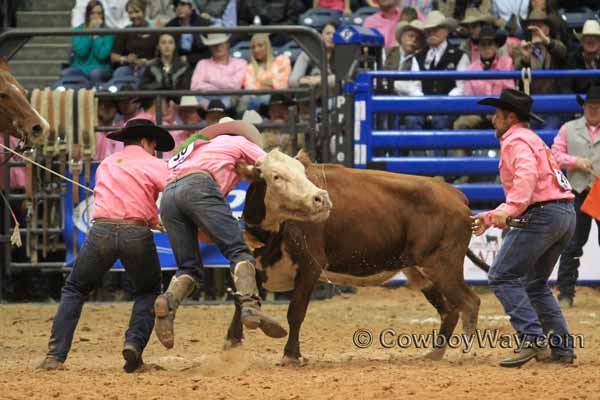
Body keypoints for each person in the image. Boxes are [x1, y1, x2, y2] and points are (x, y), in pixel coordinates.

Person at [37, 119, 174, 372]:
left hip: (101, 230)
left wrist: (152, 219)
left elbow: (121, 195)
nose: (155, 149)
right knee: (147, 291)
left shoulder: (108, 163)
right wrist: (158, 220)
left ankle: (55, 356)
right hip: (136, 231)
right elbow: (173, 191)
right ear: (146, 141)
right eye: (154, 144)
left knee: (75, 289)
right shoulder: (156, 164)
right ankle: (133, 345)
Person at [153, 117, 287, 349]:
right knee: (239, 252)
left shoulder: (197, 148)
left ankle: (167, 301)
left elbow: (205, 228)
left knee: (188, 267)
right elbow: (270, 165)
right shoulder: (237, 142)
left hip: (169, 197)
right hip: (199, 187)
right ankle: (250, 306)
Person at [472, 89, 576, 367]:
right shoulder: (533, 139)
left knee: (502, 275)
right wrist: (495, 214)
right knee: (535, 283)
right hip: (564, 213)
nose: (493, 120)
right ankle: (561, 348)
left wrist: (508, 209)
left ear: (510, 117)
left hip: (543, 214)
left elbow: (526, 177)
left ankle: (531, 338)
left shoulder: (515, 141)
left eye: (497, 115)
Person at [551, 86, 600, 308]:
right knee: (572, 244)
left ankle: (566, 294)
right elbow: (555, 155)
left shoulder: (570, 127)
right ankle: (566, 293)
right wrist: (575, 161)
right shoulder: (568, 128)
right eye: (591, 105)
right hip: (578, 190)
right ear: (584, 106)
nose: (594, 109)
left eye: (598, 106)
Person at [411, 10, 469, 129]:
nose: (432, 33)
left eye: (436, 29)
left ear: (446, 31)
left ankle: (442, 148)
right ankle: (415, 148)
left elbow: (461, 88)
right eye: (428, 30)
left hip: (449, 106)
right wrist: (426, 107)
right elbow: (415, 86)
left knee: (441, 119)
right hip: (422, 106)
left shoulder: (460, 56)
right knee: (412, 120)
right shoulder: (418, 57)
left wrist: (442, 104)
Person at [511, 9, 566, 129]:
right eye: (533, 26)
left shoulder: (554, 45)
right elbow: (515, 74)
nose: (535, 30)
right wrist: (524, 59)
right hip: (530, 109)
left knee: (549, 132)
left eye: (539, 26)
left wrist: (545, 40)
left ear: (547, 29)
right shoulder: (523, 48)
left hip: (553, 107)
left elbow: (562, 53)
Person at [454, 25, 514, 130]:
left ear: (496, 46)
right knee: (461, 124)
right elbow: (469, 96)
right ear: (478, 47)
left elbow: (509, 90)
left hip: (500, 111)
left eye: (490, 44)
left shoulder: (506, 63)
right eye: (483, 44)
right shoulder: (471, 69)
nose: (486, 48)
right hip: (477, 112)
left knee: (508, 123)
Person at [190, 31, 247, 109]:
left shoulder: (240, 63)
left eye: (220, 43)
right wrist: (222, 87)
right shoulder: (202, 63)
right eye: (213, 45)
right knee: (195, 98)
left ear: (227, 44)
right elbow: (195, 86)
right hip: (205, 99)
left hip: (227, 99)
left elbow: (234, 86)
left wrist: (210, 79)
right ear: (209, 47)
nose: (217, 47)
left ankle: (214, 110)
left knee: (230, 99)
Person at [66, 0, 115, 86]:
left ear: (103, 15)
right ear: (87, 15)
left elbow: (102, 55)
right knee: (68, 73)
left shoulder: (109, 33)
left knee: (95, 74)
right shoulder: (78, 31)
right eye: (92, 13)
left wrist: (96, 35)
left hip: (100, 69)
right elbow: (81, 52)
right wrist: (89, 34)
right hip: (80, 68)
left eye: (99, 13)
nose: (96, 16)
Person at [242, 33, 292, 110]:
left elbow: (284, 85)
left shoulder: (282, 60)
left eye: (260, 45)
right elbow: (249, 89)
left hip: (280, 100)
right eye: (253, 47)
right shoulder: (249, 67)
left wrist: (263, 83)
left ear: (267, 46)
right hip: (256, 102)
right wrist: (273, 83)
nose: (256, 50)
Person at [110, 0, 159, 77]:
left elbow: (160, 58)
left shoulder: (155, 31)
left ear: (144, 11)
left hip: (149, 67)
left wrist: (146, 63)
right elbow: (113, 56)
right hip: (130, 67)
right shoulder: (125, 31)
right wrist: (126, 59)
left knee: (145, 72)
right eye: (130, 13)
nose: (133, 16)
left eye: (137, 12)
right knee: (119, 73)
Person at [289, 23, 336, 90]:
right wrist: (327, 80)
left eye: (335, 35)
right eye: (328, 33)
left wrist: (314, 79)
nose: (331, 37)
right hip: (311, 96)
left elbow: (342, 81)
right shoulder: (308, 53)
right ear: (320, 35)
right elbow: (293, 81)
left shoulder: (343, 53)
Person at [166, 0, 212, 68]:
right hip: (177, 66)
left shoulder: (204, 24)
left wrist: (189, 58)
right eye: (176, 5)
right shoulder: (170, 26)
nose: (179, 8)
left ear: (192, 6)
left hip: (202, 65)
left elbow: (210, 52)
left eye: (183, 4)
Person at [385, 19, 424, 96]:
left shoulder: (416, 61)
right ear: (402, 37)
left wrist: (393, 84)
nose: (414, 40)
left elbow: (415, 89)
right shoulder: (386, 52)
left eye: (417, 39)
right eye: (411, 36)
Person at [565, 19, 600, 95]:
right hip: (577, 104)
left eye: (595, 37)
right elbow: (565, 87)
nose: (591, 39)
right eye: (587, 37)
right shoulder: (571, 60)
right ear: (582, 41)